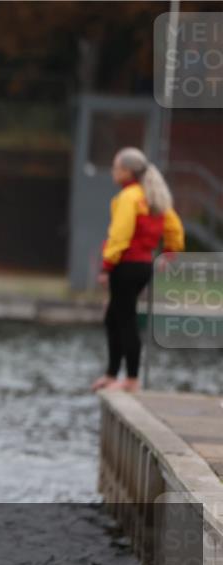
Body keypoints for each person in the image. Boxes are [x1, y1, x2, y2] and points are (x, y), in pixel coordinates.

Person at [91, 147, 184, 393]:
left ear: (127, 171)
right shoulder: (154, 195)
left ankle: (131, 379)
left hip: (126, 266)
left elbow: (119, 235)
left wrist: (106, 266)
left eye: (116, 167)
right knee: (114, 317)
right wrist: (170, 251)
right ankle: (112, 375)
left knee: (124, 319)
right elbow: (174, 228)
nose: (113, 172)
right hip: (143, 266)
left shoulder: (129, 197)